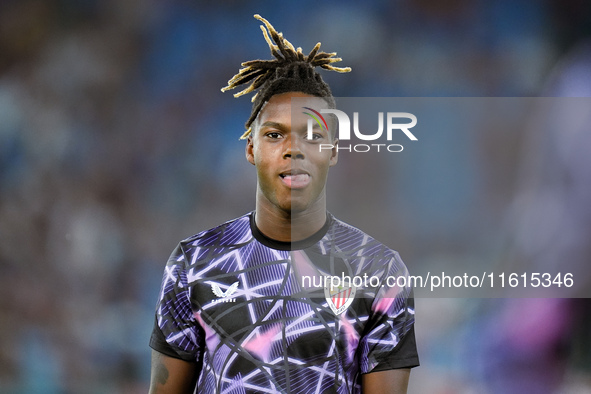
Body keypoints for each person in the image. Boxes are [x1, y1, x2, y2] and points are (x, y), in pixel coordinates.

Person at [148, 14, 419, 394]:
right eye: (275, 134)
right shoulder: (193, 263)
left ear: (333, 150)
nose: (294, 149)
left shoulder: (379, 270)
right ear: (251, 149)